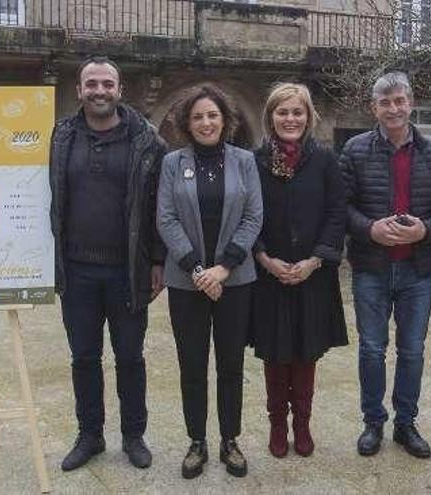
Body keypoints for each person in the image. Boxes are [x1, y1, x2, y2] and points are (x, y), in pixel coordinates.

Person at [49, 55, 167, 472]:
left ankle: (133, 436)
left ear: (121, 90)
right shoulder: (60, 136)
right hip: (76, 270)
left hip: (127, 271)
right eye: (91, 84)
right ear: (79, 90)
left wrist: (158, 260)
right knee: (83, 357)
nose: (100, 90)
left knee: (130, 357)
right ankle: (90, 435)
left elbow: (158, 205)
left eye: (107, 84)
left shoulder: (147, 141)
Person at [339, 71, 431, 459]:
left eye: (400, 100)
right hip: (371, 267)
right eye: (385, 102)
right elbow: (340, 208)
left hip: (417, 270)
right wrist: (370, 229)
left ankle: (406, 424)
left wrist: (424, 230)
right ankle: (373, 423)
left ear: (411, 102)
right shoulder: (355, 150)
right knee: (372, 349)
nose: (394, 108)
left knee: (412, 351)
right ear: (374, 107)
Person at [157, 84, 262, 479]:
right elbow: (165, 219)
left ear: (225, 120)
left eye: (212, 115)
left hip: (235, 281)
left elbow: (254, 217)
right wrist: (199, 271)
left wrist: (223, 268)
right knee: (192, 363)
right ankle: (197, 440)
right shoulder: (173, 163)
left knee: (231, 364)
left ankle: (229, 439)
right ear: (187, 122)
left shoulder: (244, 162)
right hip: (187, 282)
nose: (206, 122)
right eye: (198, 116)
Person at [251, 83, 348, 458]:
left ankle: (302, 425)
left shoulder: (324, 160)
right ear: (270, 116)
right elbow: (247, 215)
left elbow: (336, 213)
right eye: (283, 112)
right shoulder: (255, 160)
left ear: (308, 118)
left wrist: (315, 260)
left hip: (313, 275)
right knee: (275, 356)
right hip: (269, 274)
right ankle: (277, 425)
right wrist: (263, 258)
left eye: (297, 112)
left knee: (306, 355)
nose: (290, 119)